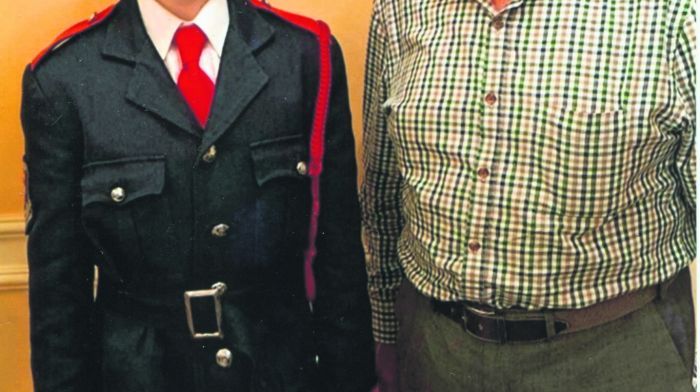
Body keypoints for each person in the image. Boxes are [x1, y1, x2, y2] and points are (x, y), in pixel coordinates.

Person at [21, 0, 375, 391]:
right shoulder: (64, 77)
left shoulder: (305, 55)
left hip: (278, 369)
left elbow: (339, 258)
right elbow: (58, 295)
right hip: (138, 374)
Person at [361, 0, 696, 390]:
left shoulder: (674, 13)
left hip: (613, 350)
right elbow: (381, 191)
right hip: (435, 351)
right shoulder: (398, 9)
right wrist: (384, 332)